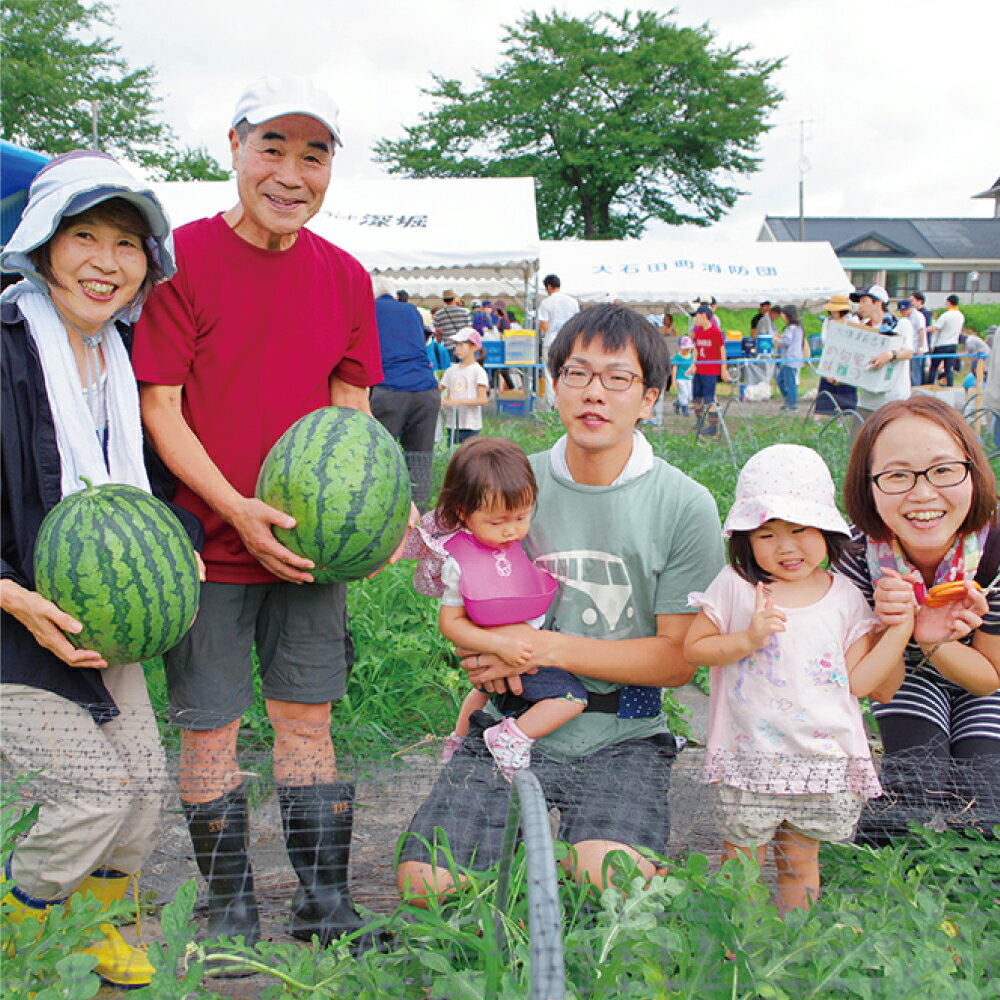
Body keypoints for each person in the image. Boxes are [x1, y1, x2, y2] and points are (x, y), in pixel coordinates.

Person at [133, 74, 388, 955]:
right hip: (205, 546)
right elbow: (161, 407)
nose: (291, 172)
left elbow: (349, 409)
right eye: (271, 147)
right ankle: (229, 909)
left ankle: (326, 908)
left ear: (330, 169)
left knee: (307, 720)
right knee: (211, 727)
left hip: (308, 552)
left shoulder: (348, 276)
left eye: (312, 154)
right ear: (234, 149)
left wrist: (371, 518)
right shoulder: (181, 262)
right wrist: (237, 510)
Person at [396, 303, 724, 901]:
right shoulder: (512, 482)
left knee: (611, 882)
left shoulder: (685, 503)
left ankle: (577, 850)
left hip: (624, 727)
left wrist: (543, 647)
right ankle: (514, 850)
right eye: (577, 374)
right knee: (428, 884)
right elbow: (460, 585)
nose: (594, 394)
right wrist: (482, 651)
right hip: (511, 718)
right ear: (554, 385)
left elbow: (679, 661)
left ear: (650, 397)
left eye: (617, 378)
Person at [0, 151, 204, 988]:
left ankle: (93, 926)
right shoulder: (6, 346)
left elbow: (149, 487)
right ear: (43, 244)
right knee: (88, 795)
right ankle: (21, 937)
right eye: (85, 235)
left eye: (127, 243)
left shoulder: (122, 354)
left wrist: (179, 536)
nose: (107, 261)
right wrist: (15, 597)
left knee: (143, 794)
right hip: (11, 621)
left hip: (94, 620)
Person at [685, 445, 911, 912]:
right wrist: (746, 639)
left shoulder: (846, 597)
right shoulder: (737, 586)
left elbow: (862, 682)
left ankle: (791, 949)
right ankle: (738, 951)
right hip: (749, 760)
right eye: (766, 535)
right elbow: (695, 648)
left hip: (820, 765)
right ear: (745, 541)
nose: (785, 547)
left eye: (799, 530)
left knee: (799, 863)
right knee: (740, 862)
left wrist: (901, 630)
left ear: (826, 530)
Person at [838, 396, 1000, 845]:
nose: (923, 494)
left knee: (985, 809)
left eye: (944, 470)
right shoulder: (857, 558)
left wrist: (936, 639)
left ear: (972, 470)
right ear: (868, 484)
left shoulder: (994, 553)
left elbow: (989, 679)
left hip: (979, 677)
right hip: (906, 679)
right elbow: (882, 686)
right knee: (916, 787)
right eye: (897, 476)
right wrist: (898, 627)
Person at [404, 437, 588, 778]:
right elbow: (451, 623)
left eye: (521, 517)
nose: (511, 531)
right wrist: (500, 644)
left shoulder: (507, 545)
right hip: (512, 652)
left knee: (481, 691)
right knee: (572, 697)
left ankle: (457, 739)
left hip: (513, 649)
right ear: (463, 512)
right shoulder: (459, 562)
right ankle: (512, 738)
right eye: (497, 522)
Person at [370, 280, 441, 509]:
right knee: (420, 458)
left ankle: (379, 507)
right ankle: (419, 513)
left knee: (378, 456)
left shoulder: (369, 310)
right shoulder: (411, 310)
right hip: (427, 390)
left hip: (391, 390)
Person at [848, 284, 914, 430]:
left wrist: (890, 355)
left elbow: (908, 352)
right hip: (867, 399)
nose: (860, 306)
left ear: (878, 302)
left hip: (893, 398)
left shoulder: (900, 325)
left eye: (864, 301)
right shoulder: (863, 329)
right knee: (858, 445)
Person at [439, 327, 489, 446]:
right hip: (452, 423)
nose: (457, 349)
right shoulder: (451, 370)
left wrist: (458, 402)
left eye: (461, 345)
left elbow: (482, 400)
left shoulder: (478, 371)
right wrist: (444, 401)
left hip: (470, 424)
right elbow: (442, 390)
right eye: (457, 345)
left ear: (474, 347)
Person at [537, 273, 580, 407]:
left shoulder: (546, 302)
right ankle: (569, 405)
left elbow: (544, 326)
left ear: (549, 287)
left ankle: (552, 408)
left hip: (551, 342)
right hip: (569, 342)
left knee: (550, 375)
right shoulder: (572, 302)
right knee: (569, 373)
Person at [814, 293, 858, 419]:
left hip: (847, 360)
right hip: (831, 358)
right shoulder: (828, 322)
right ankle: (821, 415)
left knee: (846, 390)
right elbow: (825, 339)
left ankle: (844, 415)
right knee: (827, 389)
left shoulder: (852, 321)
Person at [690, 303, 728, 436]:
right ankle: (699, 419)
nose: (695, 319)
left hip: (710, 370)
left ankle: (713, 426)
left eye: (697, 316)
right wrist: (693, 364)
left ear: (703, 316)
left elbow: (722, 350)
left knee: (709, 398)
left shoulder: (716, 332)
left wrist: (723, 369)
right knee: (696, 396)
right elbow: (696, 349)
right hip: (699, 369)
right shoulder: (698, 332)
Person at [925, 295, 965, 387]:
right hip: (953, 344)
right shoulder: (960, 316)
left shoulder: (946, 315)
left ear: (948, 302)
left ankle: (929, 385)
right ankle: (950, 386)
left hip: (942, 344)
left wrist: (924, 329)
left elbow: (936, 328)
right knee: (948, 368)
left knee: (934, 367)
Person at [775, 305, 806, 413]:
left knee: (789, 382)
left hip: (790, 359)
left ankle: (792, 403)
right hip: (795, 358)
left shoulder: (791, 328)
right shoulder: (798, 327)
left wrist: (777, 340)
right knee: (782, 380)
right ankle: (789, 400)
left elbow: (786, 342)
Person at [897, 299, 928, 388]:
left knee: (916, 371)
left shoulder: (918, 316)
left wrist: (920, 347)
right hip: (910, 348)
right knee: (910, 371)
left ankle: (916, 389)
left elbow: (921, 331)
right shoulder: (906, 318)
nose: (902, 313)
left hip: (917, 348)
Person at [433, 289, 472, 358]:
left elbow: (438, 333)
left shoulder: (438, 314)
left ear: (444, 300)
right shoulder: (465, 311)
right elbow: (469, 329)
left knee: (451, 367)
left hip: (448, 346)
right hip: (464, 346)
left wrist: (439, 344)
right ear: (454, 299)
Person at [669, 335, 695, 417]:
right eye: (685, 348)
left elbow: (693, 366)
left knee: (689, 394)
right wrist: (673, 380)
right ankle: (685, 409)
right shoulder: (678, 357)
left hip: (689, 378)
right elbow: (675, 368)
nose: (687, 350)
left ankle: (677, 403)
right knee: (683, 392)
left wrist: (692, 370)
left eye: (688, 348)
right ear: (680, 347)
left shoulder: (691, 356)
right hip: (680, 378)